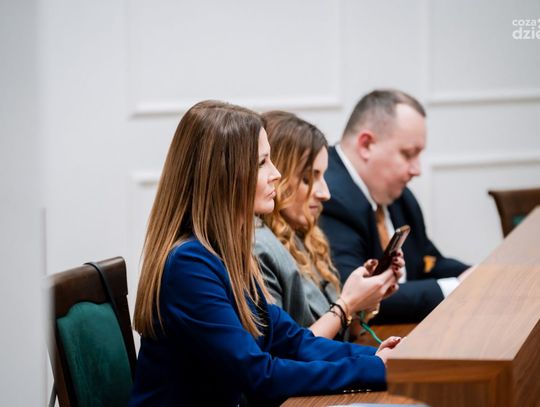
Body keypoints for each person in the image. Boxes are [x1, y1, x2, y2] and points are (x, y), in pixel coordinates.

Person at [129, 100, 401, 407]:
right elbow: (259, 375)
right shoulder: (189, 265)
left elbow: (292, 342)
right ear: (224, 176)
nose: (276, 174)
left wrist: (379, 356)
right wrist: (374, 368)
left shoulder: (226, 254)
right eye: (262, 163)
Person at [320, 89, 471, 324]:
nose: (417, 170)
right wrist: (456, 288)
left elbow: (427, 260)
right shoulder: (329, 197)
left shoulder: (397, 194)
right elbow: (358, 295)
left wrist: (475, 275)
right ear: (366, 145)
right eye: (408, 154)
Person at [254, 111, 404, 341]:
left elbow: (344, 334)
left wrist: (366, 302)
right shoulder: (259, 249)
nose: (325, 193)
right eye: (309, 178)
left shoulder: (304, 238)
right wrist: (348, 303)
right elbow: (289, 350)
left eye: (322, 176)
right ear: (278, 177)